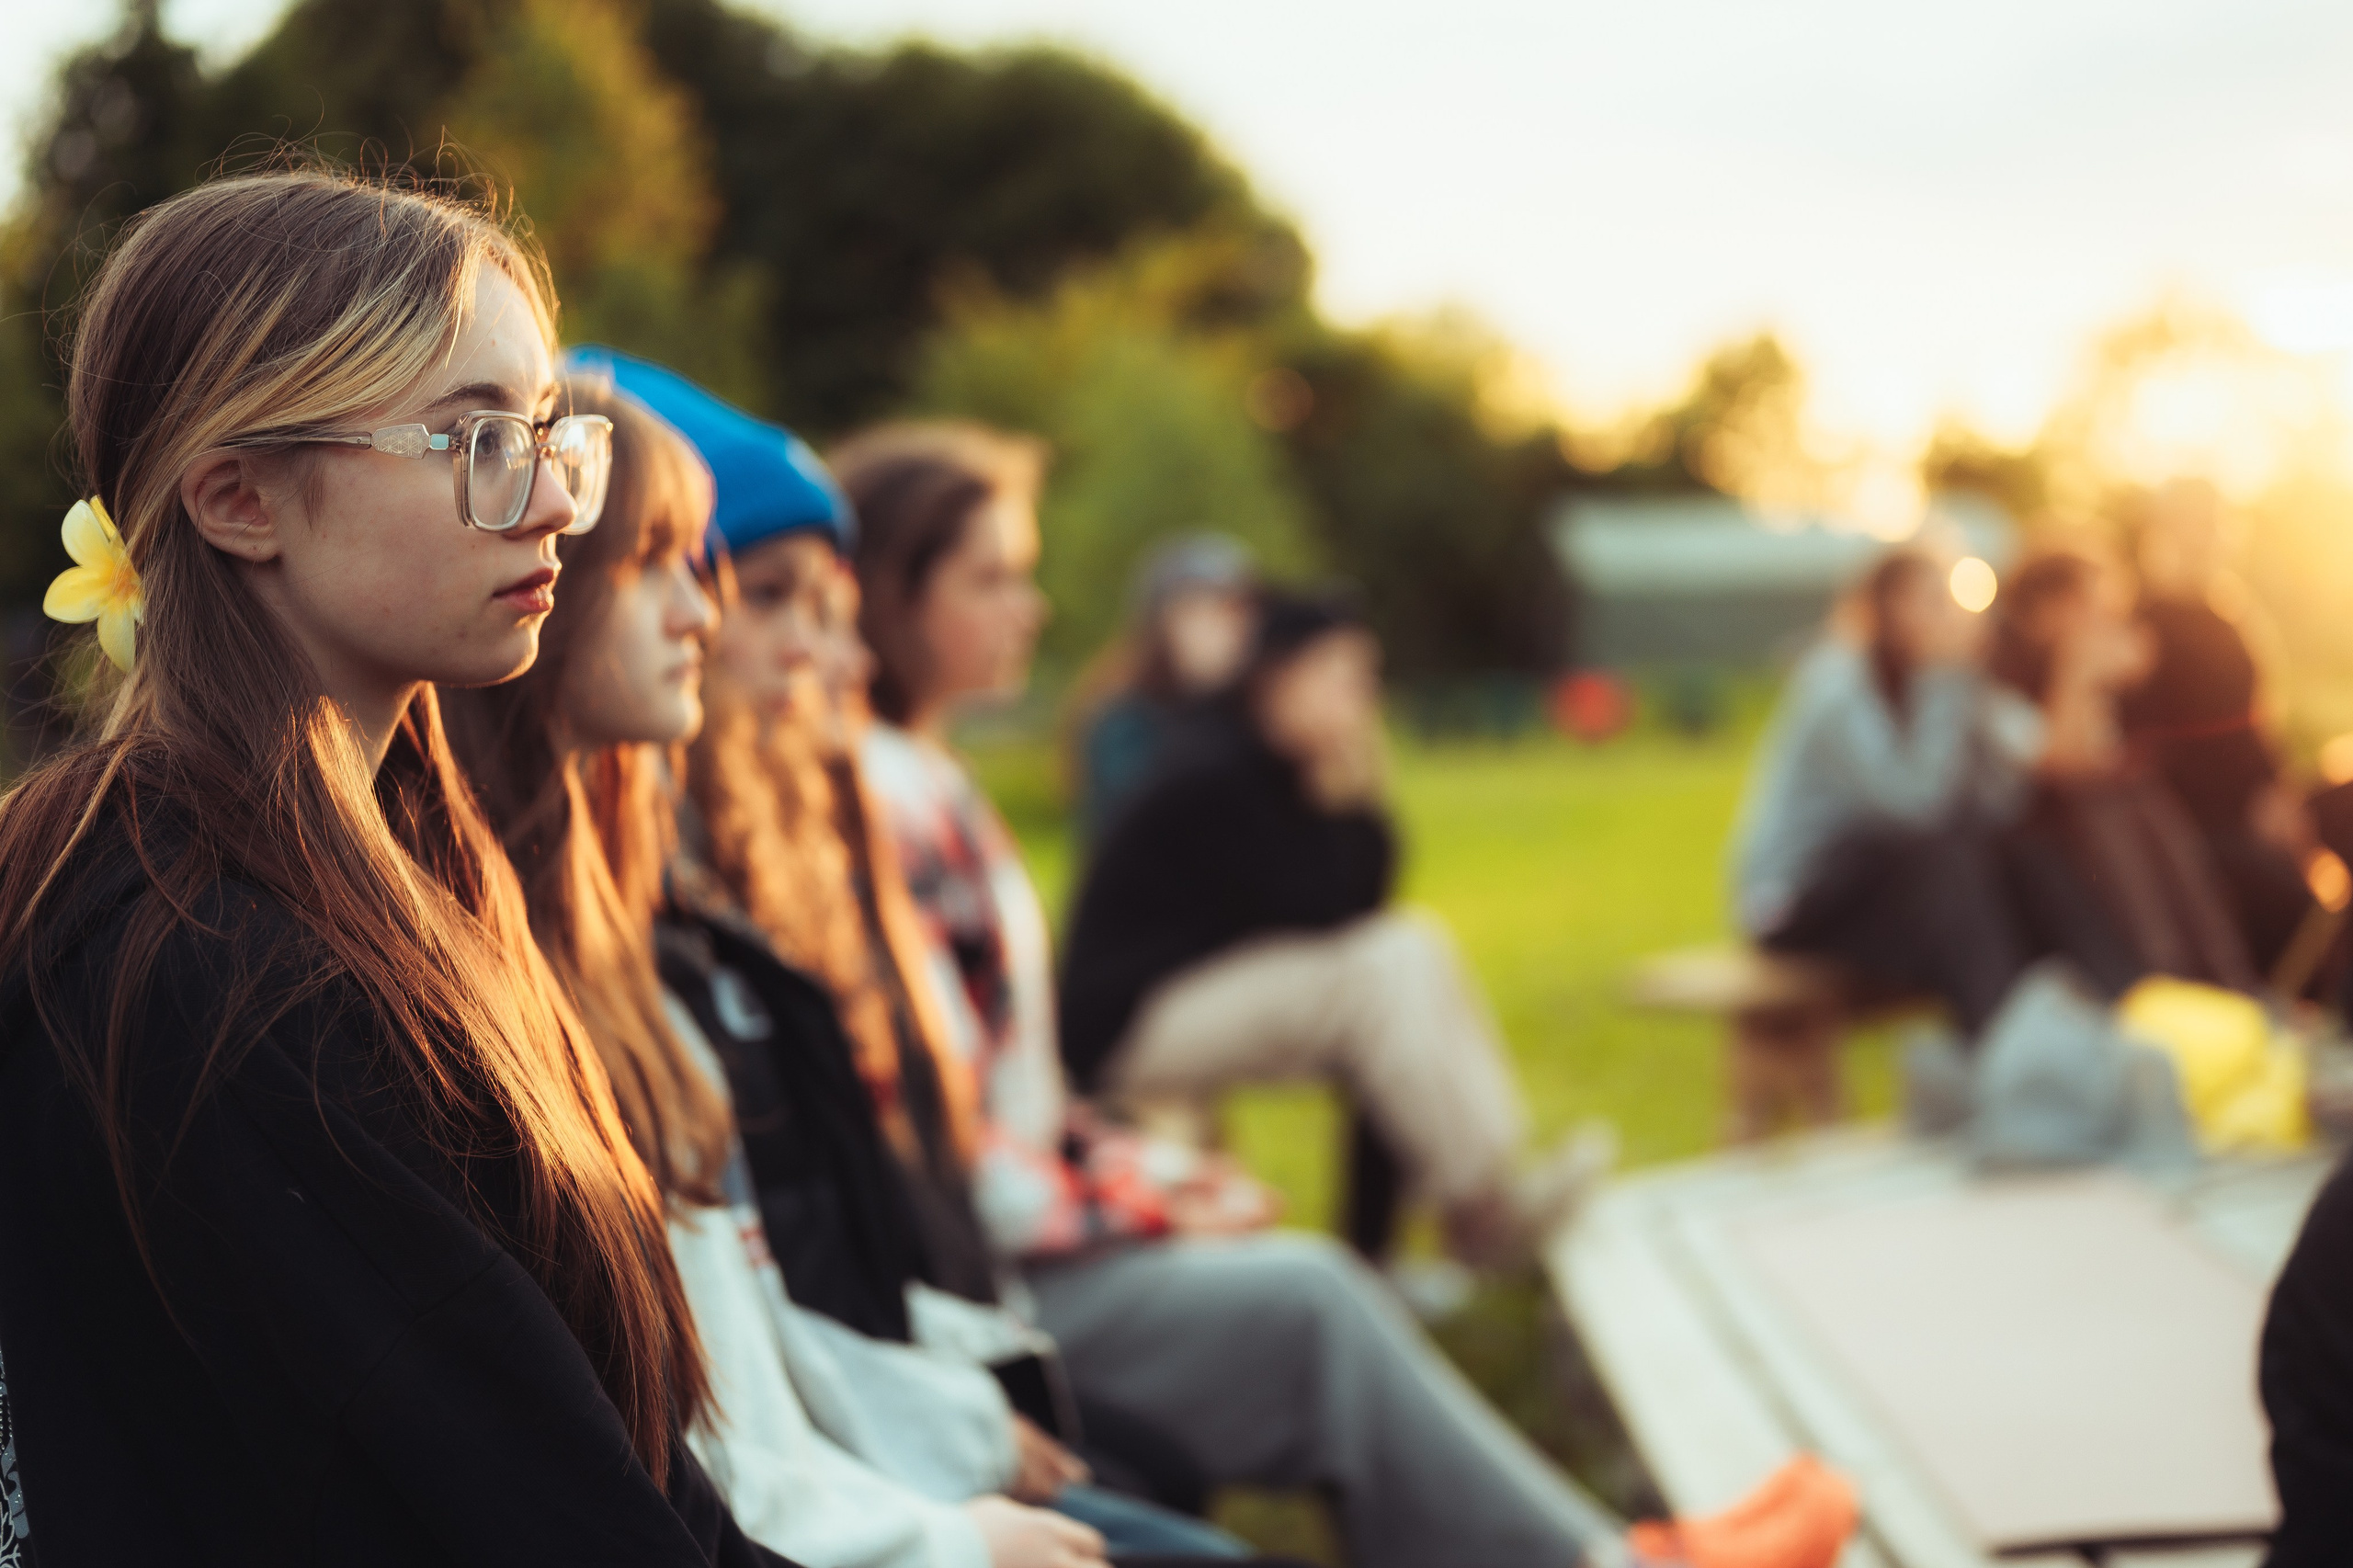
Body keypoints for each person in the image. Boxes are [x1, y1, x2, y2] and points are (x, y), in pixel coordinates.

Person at [834, 419, 1859, 1568]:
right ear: (886, 591)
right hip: (1024, 1222)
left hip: (1047, 1186)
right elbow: (940, 1145)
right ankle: (1606, 1523)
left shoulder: (930, 780)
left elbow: (1006, 1093)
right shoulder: (899, 799)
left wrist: (1164, 1172)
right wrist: (1152, 1197)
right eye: (993, 578)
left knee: (1376, 1034)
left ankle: (1602, 1522)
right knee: (1321, 1264)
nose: (1033, 608)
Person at [0, 170, 788, 1565]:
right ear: (241, 500)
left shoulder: (388, 871)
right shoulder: (215, 978)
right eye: (476, 435)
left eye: (550, 431)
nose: (555, 500)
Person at [570, 352, 1267, 1564]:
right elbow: (733, 1373)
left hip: (916, 1374)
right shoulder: (652, 936)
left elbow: (901, 1177)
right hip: (906, 1403)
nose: (829, 659)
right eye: (765, 594)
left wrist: (1132, 1178)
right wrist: (950, 1455)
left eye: (824, 607)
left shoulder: (763, 885)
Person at [442, 378, 1146, 1568]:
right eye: (695, 573)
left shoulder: (663, 945)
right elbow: (684, 1443)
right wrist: (947, 1511)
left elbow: (760, 1341)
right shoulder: (531, 973)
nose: (705, 618)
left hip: (889, 1437)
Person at [1057, 582, 1609, 1268]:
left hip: (1193, 994)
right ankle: (1485, 1212)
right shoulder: (1213, 766)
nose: (1363, 699)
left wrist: (1354, 783)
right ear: (1283, 676)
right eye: (1347, 678)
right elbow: (1325, 903)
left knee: (1407, 952)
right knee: (1380, 975)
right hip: (1125, 1029)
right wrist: (1350, 787)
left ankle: (1447, 1214)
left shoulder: (1271, 758)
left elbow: (1366, 899)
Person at [1733, 545, 2138, 1037]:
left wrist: (1973, 702)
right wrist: (1947, 682)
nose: (1958, 620)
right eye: (1939, 603)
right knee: (1949, 863)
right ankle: (2004, 1042)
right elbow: (1916, 808)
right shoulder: (1835, 687)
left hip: (1886, 889)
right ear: (1894, 609)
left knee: (2025, 852)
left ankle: (2116, 1012)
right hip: (1797, 902)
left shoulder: (1954, 682)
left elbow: (2002, 805)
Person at [1987, 547, 2258, 994]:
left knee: (2143, 795)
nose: (2108, 619)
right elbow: (2065, 762)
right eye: (2094, 605)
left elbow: (2106, 749)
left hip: (2095, 810)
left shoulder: (2069, 656)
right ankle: (2171, 981)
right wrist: (2081, 668)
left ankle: (2226, 981)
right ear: (2053, 607)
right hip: (2031, 835)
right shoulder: (2003, 669)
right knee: (2111, 803)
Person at [2118, 478, 2316, 975]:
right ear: (2160, 531)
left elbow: (2252, 724)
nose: (2203, 536)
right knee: (2280, 892)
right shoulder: (2138, 621)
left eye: (2211, 524)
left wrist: (2276, 792)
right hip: (2192, 815)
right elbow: (2148, 740)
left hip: (2252, 802)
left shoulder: (2228, 614)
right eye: (2190, 524)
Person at [1066, 535, 1257, 843]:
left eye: (1232, 613)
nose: (1219, 629)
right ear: (1159, 626)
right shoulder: (1123, 724)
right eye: (1197, 611)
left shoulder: (1254, 713)